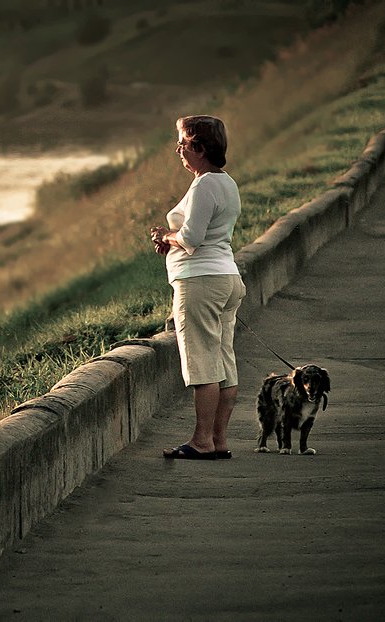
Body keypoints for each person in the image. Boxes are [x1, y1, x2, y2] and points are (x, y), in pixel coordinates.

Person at [150, 115, 246, 460]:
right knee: (223, 361)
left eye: (183, 143)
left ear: (200, 148)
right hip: (226, 277)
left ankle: (202, 441)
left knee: (203, 364)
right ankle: (218, 440)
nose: (178, 150)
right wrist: (174, 242)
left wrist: (166, 237)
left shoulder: (204, 184)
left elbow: (191, 238)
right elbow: (206, 235)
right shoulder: (227, 183)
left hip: (200, 281)